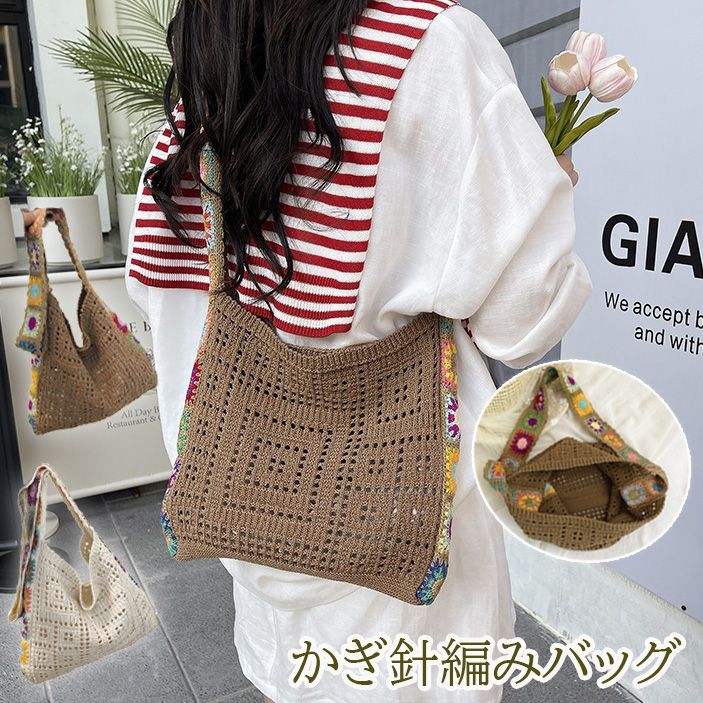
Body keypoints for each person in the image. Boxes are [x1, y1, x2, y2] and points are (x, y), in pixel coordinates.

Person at [125, 1, 591, 701]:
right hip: (407, 568)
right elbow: (523, 320)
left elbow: (166, 307)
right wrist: (544, 187)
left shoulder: (203, 93)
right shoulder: (428, 47)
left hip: (255, 541)